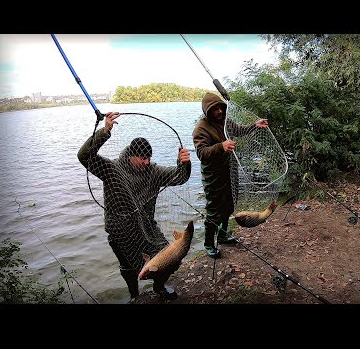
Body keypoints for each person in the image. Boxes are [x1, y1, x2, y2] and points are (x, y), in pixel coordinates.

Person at [78, 112, 191, 301]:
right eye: (142, 158)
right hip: (120, 230)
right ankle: (134, 295)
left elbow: (180, 177)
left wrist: (183, 164)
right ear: (131, 155)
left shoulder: (153, 171)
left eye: (149, 158)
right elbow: (84, 156)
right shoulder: (112, 169)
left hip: (147, 227)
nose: (146, 162)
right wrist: (104, 131)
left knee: (171, 259)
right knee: (128, 268)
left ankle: (159, 286)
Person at [192, 93, 268, 258]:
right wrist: (221, 146)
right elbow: (201, 152)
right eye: (215, 109)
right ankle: (208, 244)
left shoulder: (225, 120)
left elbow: (238, 130)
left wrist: (255, 125)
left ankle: (223, 236)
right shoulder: (201, 128)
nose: (219, 111)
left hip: (230, 172)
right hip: (213, 176)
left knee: (229, 206)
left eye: (221, 108)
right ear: (207, 111)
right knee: (213, 211)